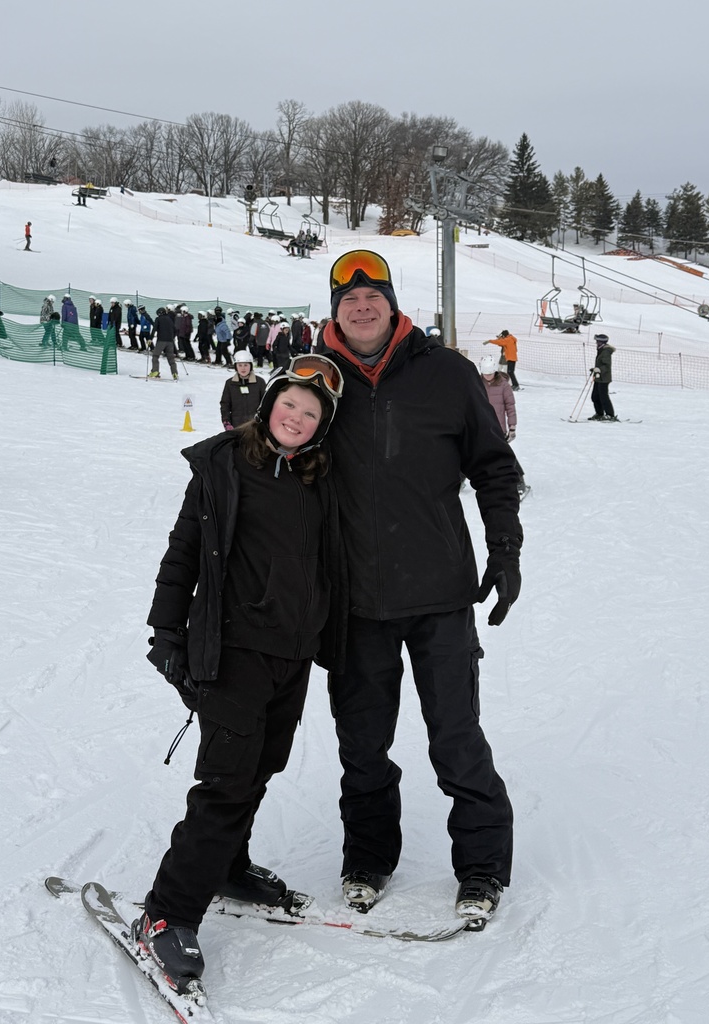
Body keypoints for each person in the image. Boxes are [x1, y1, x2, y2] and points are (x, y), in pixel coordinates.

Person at [317, 250, 522, 925]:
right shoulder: (315, 381)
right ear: (334, 308)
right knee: (362, 746)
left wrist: (505, 548)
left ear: (394, 303)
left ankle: (483, 867)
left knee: (457, 740)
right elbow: (274, 470)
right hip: (354, 602)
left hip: (439, 596)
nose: (363, 306)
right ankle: (369, 858)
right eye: (350, 299)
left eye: (374, 295)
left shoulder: (448, 375)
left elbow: (494, 468)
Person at [134, 354, 346, 999]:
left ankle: (225, 865)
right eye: (290, 404)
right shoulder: (225, 466)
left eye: (311, 415)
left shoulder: (319, 479)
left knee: (261, 767)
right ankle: (167, 912)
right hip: (233, 651)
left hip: (292, 653)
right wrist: (165, 633)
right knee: (227, 781)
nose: (297, 418)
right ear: (269, 401)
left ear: (320, 428)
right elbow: (185, 551)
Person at [479, 354, 530, 499]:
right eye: (485, 374)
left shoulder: (503, 385)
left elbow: (510, 407)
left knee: (504, 455)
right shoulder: (477, 383)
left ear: (494, 370)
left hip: (498, 428)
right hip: (481, 427)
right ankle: (459, 480)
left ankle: (519, 481)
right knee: (472, 453)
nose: (487, 376)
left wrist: (512, 427)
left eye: (489, 373)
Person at [219, 350, 267, 428]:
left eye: (246, 365)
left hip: (255, 426)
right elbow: (225, 404)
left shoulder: (259, 382)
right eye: (240, 365)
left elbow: (265, 403)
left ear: (250, 366)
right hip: (236, 425)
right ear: (236, 366)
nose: (243, 368)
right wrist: (226, 421)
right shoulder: (230, 383)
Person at [589, 333, 618, 421]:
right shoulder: (601, 350)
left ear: (602, 342)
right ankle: (599, 413)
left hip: (604, 378)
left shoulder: (605, 352)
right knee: (595, 396)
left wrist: (598, 369)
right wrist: (595, 369)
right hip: (598, 377)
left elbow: (606, 366)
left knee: (603, 397)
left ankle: (610, 415)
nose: (596, 343)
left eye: (597, 341)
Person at [149, 307, 179, 379]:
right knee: (171, 358)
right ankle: (175, 373)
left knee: (155, 356)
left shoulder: (158, 319)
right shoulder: (170, 319)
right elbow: (175, 330)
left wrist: (150, 338)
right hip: (170, 342)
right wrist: (172, 337)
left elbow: (154, 329)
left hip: (161, 341)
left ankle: (155, 371)